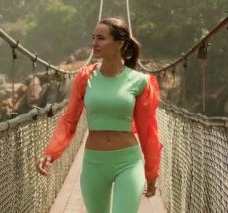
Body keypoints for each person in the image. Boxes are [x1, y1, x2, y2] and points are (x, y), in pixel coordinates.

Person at [36, 17, 162, 213]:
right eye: (93, 37)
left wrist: (151, 172)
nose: (94, 43)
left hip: (128, 162)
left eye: (101, 38)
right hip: (94, 163)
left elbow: (148, 131)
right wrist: (51, 152)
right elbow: (69, 120)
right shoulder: (85, 77)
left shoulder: (141, 82)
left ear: (119, 43)